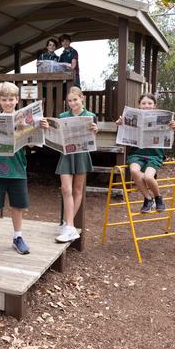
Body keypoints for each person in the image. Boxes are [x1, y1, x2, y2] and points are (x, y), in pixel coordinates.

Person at [0, 82, 49, 255]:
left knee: (18, 205)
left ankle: (18, 237)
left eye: (11, 99)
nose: (8, 102)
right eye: (4, 99)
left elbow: (35, 145)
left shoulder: (24, 119)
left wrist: (42, 128)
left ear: (17, 100)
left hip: (18, 169)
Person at [116, 93, 175, 213]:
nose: (146, 105)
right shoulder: (134, 117)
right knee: (133, 170)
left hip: (154, 155)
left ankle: (158, 198)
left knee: (148, 177)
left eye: (149, 103)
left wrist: (172, 129)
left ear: (154, 105)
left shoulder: (164, 120)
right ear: (139, 106)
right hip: (137, 154)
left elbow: (169, 142)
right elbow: (123, 134)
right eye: (143, 103)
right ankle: (148, 199)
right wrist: (120, 124)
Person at [55, 87, 99, 242]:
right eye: (69, 100)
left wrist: (95, 130)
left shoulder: (90, 116)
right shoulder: (62, 116)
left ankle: (68, 226)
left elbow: (92, 139)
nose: (72, 103)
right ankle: (70, 227)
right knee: (65, 189)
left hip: (81, 155)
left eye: (75, 99)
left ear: (82, 98)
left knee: (77, 190)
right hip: (66, 155)